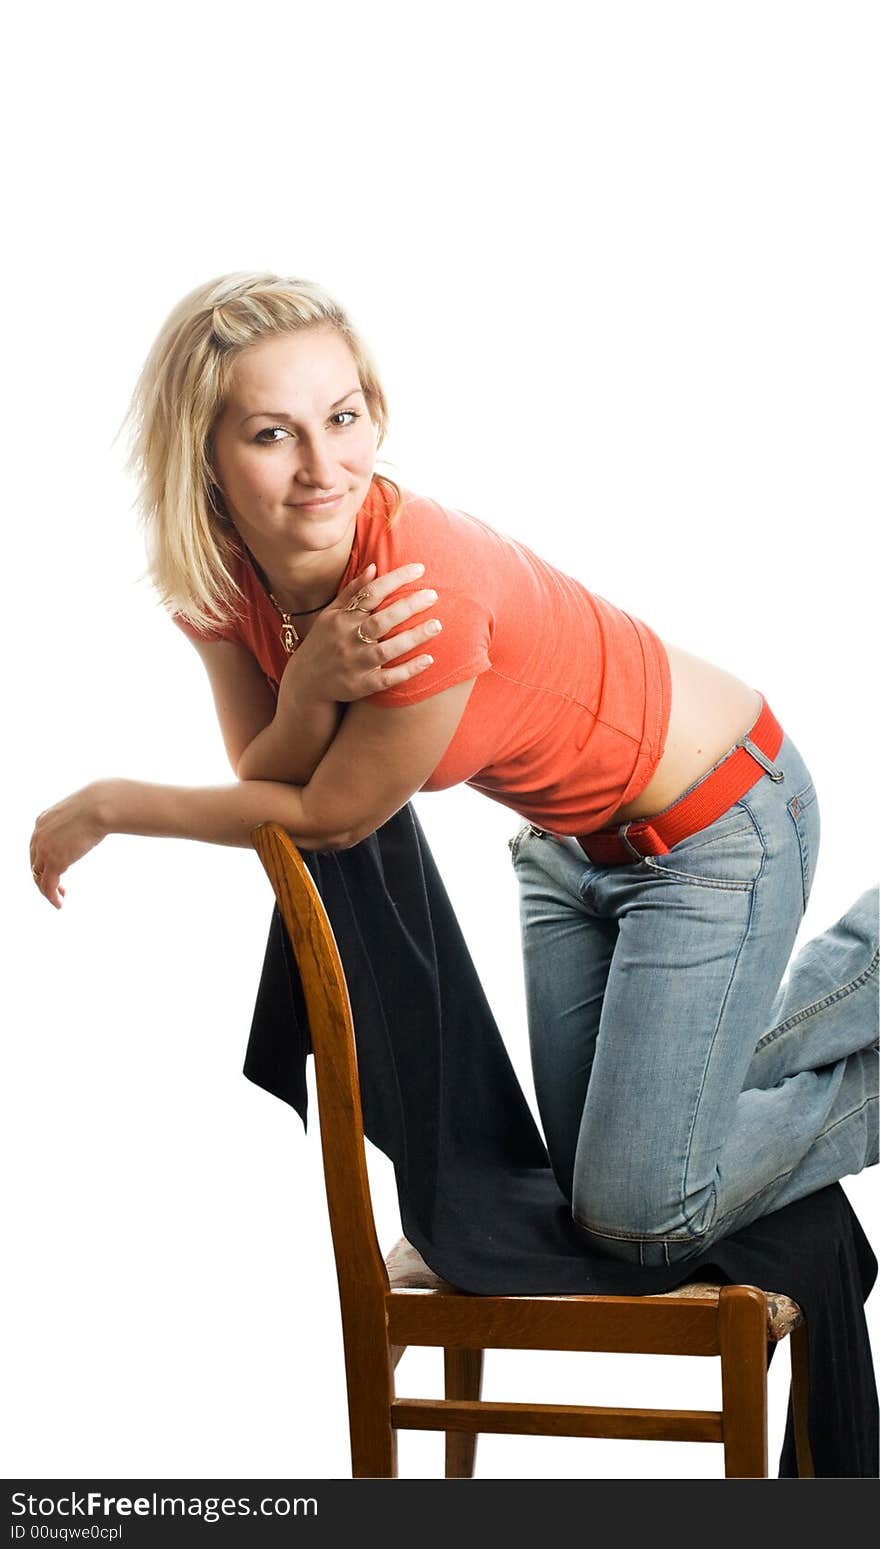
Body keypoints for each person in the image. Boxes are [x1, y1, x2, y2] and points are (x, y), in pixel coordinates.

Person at [28, 271, 878, 1268]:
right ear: (203, 457)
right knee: (590, 1181)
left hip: (715, 829)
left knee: (638, 1217)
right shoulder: (217, 577)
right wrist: (306, 689)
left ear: (373, 411)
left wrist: (109, 804)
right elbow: (268, 765)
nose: (321, 466)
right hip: (567, 857)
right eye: (270, 433)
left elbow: (329, 812)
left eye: (341, 418)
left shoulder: (415, 583)